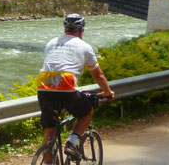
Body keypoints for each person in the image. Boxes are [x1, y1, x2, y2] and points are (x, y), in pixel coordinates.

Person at [36, 13, 115, 163]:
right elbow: (98, 75)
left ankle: (47, 159)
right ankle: (72, 142)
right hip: (66, 89)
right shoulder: (84, 46)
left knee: (50, 130)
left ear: (65, 28)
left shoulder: (51, 42)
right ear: (81, 30)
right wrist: (107, 92)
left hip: (43, 88)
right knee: (86, 111)